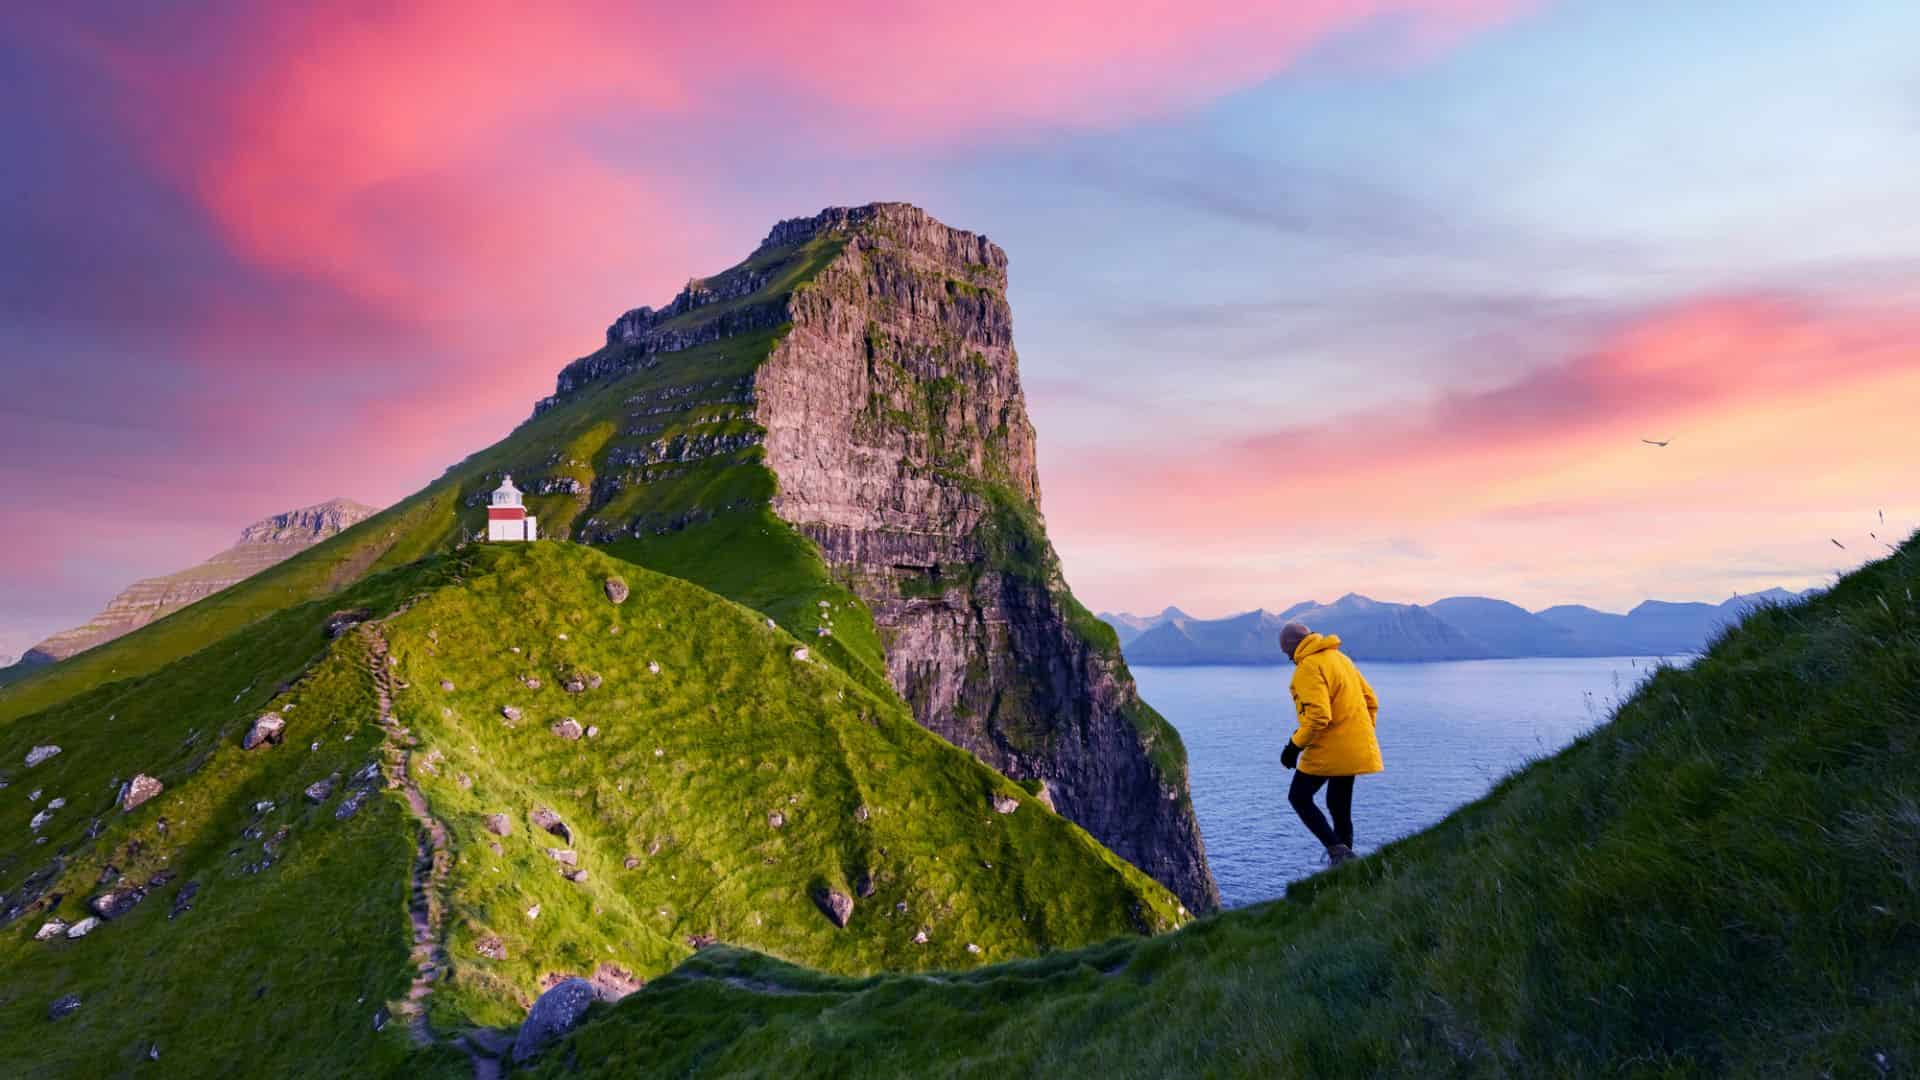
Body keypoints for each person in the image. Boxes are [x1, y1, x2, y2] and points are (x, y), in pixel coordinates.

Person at [1278, 621, 1382, 866]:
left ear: (1293, 646)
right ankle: (1346, 864)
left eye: (1286, 653)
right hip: (1353, 745)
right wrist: (1359, 735)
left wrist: (1293, 747)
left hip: (1330, 747)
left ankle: (1338, 852)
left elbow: (1318, 717)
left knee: (1299, 797)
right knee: (1338, 804)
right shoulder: (1341, 659)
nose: (1289, 659)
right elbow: (1371, 701)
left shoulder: (1308, 667)